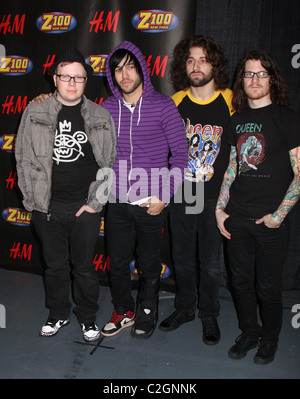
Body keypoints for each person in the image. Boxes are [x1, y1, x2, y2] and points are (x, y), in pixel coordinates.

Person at [15, 47, 116, 342]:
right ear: (55, 79)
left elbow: (109, 163)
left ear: (86, 81)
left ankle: (87, 318)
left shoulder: (100, 115)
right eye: (66, 77)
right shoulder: (34, 111)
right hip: (47, 208)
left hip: (84, 207)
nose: (72, 83)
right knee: (55, 266)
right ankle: (58, 313)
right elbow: (22, 157)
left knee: (84, 269)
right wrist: (33, 202)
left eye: (79, 78)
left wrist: (95, 204)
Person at [215, 49, 300, 364]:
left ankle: (270, 339)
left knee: (268, 287)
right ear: (242, 80)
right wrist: (219, 209)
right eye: (249, 73)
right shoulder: (236, 121)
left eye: (261, 73)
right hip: (237, 218)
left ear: (272, 79)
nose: (254, 79)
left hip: (270, 223)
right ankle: (249, 333)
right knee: (240, 283)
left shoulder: (287, 119)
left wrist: (278, 215)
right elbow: (233, 168)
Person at [100, 41, 188, 339]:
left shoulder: (163, 106)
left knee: (149, 264)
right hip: (117, 201)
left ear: (142, 69)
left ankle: (147, 310)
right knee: (117, 263)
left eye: (130, 66)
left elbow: (181, 156)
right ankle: (123, 310)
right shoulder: (107, 107)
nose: (124, 74)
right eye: (118, 68)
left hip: (152, 202)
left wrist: (164, 196)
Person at [158, 35, 234, 346]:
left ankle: (209, 314)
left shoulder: (231, 99)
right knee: (182, 257)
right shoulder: (175, 102)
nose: (196, 65)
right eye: (190, 60)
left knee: (211, 262)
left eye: (203, 59)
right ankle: (185, 308)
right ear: (182, 66)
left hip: (216, 197)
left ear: (214, 63)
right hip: (184, 193)